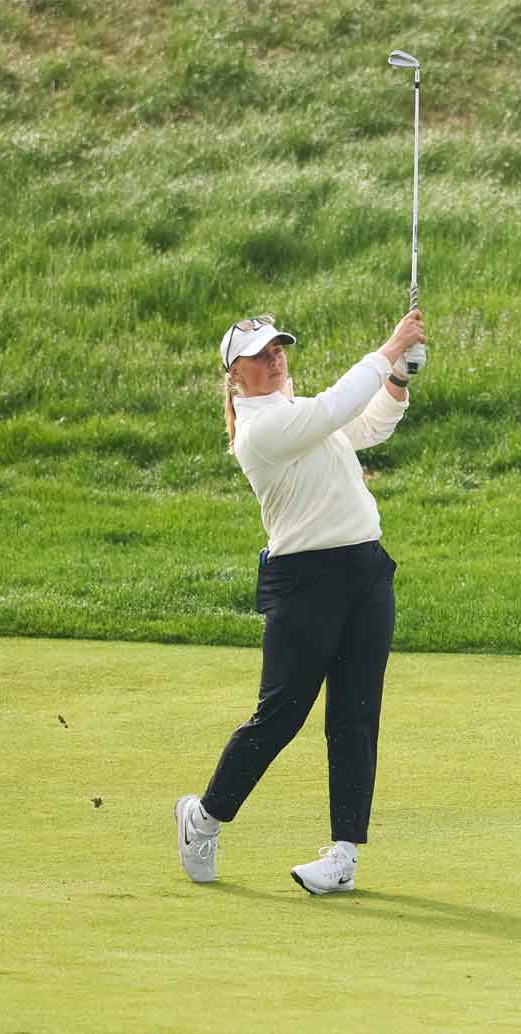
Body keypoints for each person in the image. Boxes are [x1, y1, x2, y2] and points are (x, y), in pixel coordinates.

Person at [175, 309, 425, 895]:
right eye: (260, 354)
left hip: (365, 571)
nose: (274, 358)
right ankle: (203, 819)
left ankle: (342, 855)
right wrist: (390, 346)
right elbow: (336, 409)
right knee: (282, 715)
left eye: (278, 348)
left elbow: (364, 427)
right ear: (236, 374)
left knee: (356, 714)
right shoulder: (261, 431)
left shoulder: (296, 413)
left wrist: (399, 382)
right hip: (304, 582)